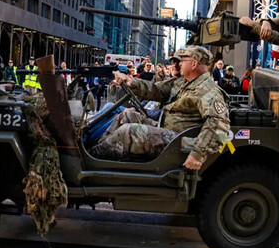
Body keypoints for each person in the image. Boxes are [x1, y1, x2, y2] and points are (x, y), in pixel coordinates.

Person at [91, 46, 230, 170]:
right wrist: (131, 81)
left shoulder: (208, 90)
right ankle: (96, 152)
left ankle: (92, 159)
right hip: (165, 131)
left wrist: (198, 154)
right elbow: (156, 89)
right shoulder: (184, 83)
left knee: (130, 131)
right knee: (126, 116)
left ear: (194, 64)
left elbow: (219, 124)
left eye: (183, 60)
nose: (179, 64)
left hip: (177, 140)